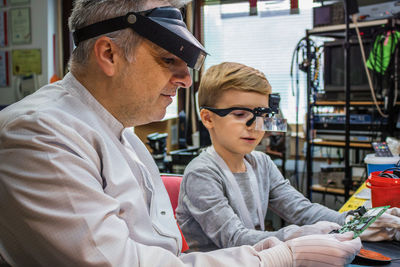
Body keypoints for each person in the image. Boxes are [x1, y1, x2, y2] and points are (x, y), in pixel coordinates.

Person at [0, 1, 361, 266]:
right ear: (108, 53)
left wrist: (348, 225)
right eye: (168, 59)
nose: (187, 80)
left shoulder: (122, 135)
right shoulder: (38, 134)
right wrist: (278, 255)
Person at [176, 62, 400, 252]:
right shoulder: (202, 173)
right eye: (240, 114)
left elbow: (301, 209)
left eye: (262, 115)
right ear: (208, 118)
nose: (255, 127)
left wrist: (354, 220)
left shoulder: (261, 163)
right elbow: (235, 239)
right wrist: (299, 235)